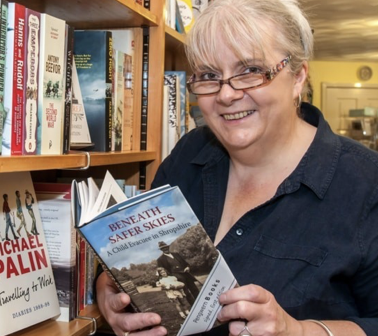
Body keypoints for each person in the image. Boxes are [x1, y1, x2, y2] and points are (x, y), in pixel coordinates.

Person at [95, 0, 378, 336]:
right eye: (210, 76)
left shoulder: (366, 183)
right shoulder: (188, 153)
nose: (226, 94)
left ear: (298, 77)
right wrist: (107, 289)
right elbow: (126, 250)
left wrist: (299, 331)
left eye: (249, 71)